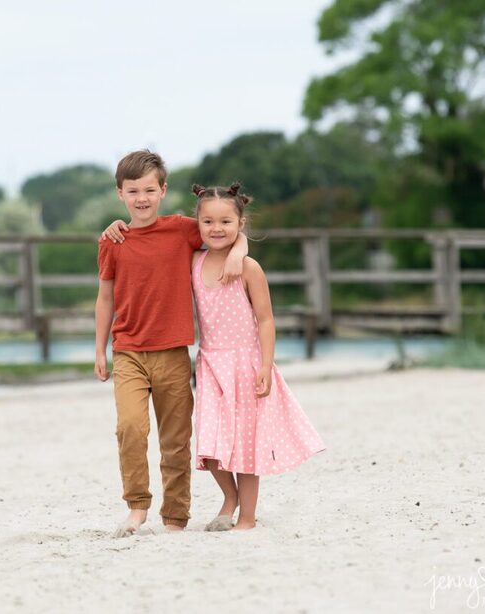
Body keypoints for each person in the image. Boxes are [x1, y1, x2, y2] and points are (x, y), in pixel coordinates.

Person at [94, 151, 247, 538]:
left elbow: (225, 229)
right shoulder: (112, 240)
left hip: (174, 352)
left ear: (163, 190)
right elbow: (105, 297)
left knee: (176, 440)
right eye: (133, 191)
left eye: (149, 190)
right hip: (128, 351)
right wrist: (99, 350)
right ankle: (137, 507)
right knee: (130, 428)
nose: (141, 198)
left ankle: (175, 518)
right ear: (120, 194)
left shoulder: (181, 230)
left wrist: (241, 249)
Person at [190, 182, 325, 531]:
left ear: (241, 223)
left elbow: (265, 320)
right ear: (197, 223)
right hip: (210, 364)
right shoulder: (193, 263)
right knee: (209, 440)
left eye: (226, 222)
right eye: (208, 222)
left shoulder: (249, 268)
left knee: (246, 443)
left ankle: (247, 517)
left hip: (246, 364)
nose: (216, 228)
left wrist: (265, 365)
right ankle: (229, 497)